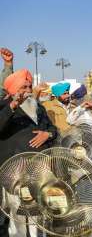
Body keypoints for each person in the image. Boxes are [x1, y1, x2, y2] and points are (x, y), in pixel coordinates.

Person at [0, 69, 57, 237]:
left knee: (39, 216)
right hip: (15, 174)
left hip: (40, 171)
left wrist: (48, 134)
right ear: (13, 90)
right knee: (19, 218)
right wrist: (12, 106)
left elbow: (53, 128)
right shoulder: (4, 105)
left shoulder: (38, 107)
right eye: (23, 87)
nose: (27, 90)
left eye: (29, 86)